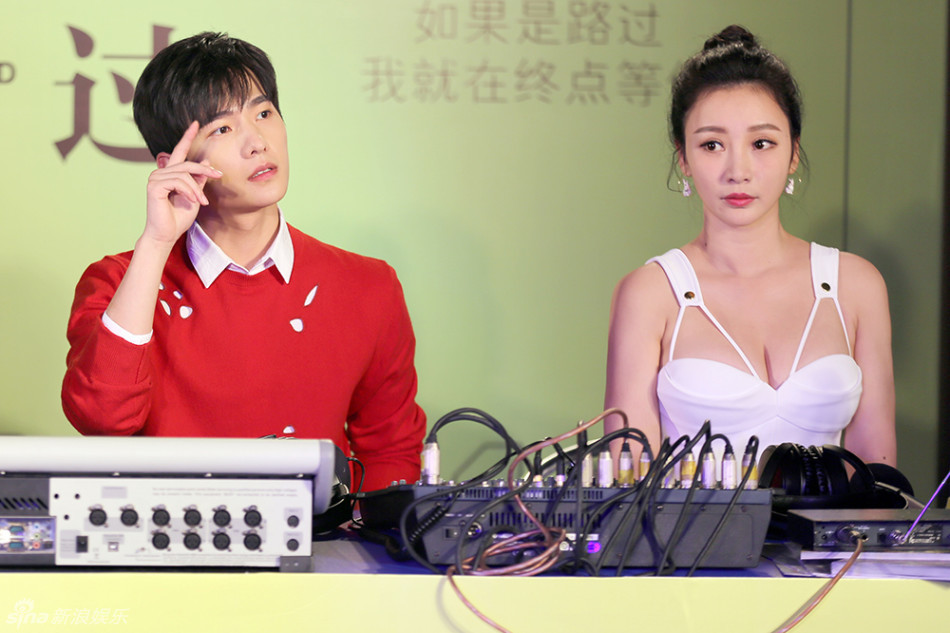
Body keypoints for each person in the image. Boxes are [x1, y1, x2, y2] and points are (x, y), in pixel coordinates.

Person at [61, 32, 425, 491]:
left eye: (264, 113)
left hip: (320, 533)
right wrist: (156, 243)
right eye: (222, 129)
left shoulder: (367, 285)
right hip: (165, 530)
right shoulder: (119, 281)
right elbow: (101, 419)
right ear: (174, 164)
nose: (257, 142)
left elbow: (390, 451)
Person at [604, 25, 896, 469]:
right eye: (712, 145)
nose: (738, 170)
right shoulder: (649, 293)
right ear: (683, 158)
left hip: (838, 520)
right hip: (681, 519)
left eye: (762, 143)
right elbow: (628, 478)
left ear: (793, 152)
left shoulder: (856, 285)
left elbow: (878, 472)